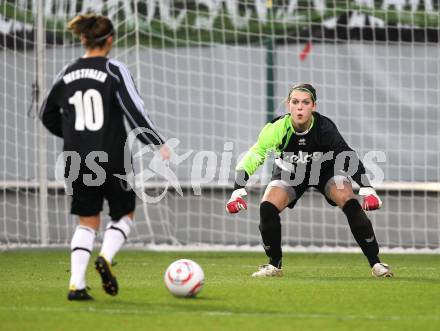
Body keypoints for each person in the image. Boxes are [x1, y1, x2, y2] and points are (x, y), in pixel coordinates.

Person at [40, 14, 170, 300]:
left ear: (83, 39)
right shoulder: (114, 69)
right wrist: (156, 142)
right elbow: (134, 109)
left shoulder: (67, 72)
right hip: (111, 156)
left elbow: (46, 114)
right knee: (124, 213)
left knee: (87, 222)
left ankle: (76, 285)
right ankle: (106, 258)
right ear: (110, 40)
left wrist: (74, 136)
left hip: (76, 158)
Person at [226, 83, 392, 278]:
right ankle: (274, 265)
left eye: (305, 103)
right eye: (295, 102)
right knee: (267, 207)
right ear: (288, 105)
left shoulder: (325, 128)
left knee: (350, 202)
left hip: (326, 171)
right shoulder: (276, 128)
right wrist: (237, 191)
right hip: (290, 173)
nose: (300, 107)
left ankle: (376, 263)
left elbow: (347, 155)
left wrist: (367, 188)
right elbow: (254, 156)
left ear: (313, 106)